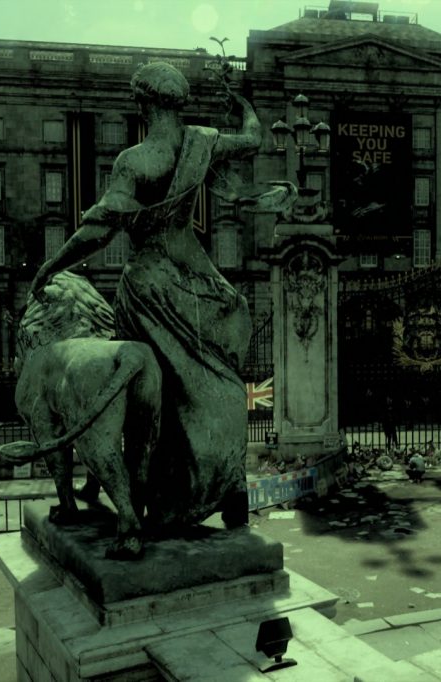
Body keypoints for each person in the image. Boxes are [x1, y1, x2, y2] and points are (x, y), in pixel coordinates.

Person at [30, 61, 260, 531]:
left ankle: (152, 500)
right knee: (214, 385)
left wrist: (51, 266)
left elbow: (97, 231)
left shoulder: (134, 161)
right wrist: (244, 107)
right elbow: (254, 140)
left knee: (148, 401)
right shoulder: (204, 141)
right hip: (196, 280)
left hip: (149, 286)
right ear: (178, 102)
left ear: (142, 102)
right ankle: (228, 484)